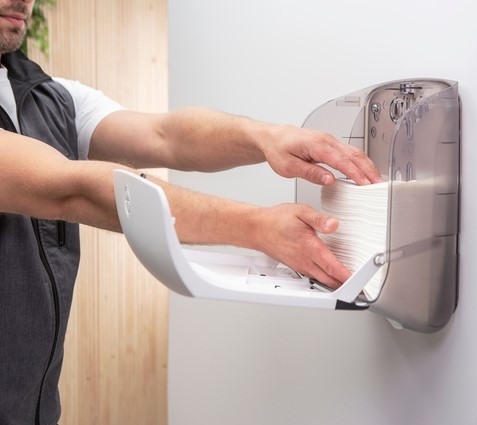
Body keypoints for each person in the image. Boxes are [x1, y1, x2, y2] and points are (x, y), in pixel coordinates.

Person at [0, 0, 382, 423]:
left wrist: (266, 137)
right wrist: (257, 227)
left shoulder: (48, 95)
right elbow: (70, 189)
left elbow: (165, 136)